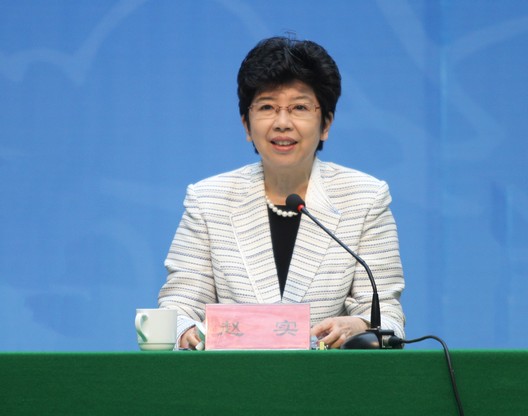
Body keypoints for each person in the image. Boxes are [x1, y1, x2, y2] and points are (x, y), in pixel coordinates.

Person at [158, 36, 405, 349]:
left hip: (328, 375)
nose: (283, 123)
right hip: (230, 375)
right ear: (246, 125)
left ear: (326, 124)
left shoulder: (365, 198)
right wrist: (186, 331)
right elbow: (178, 306)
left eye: (299, 107)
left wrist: (359, 325)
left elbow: (387, 314)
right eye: (267, 107)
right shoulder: (208, 200)